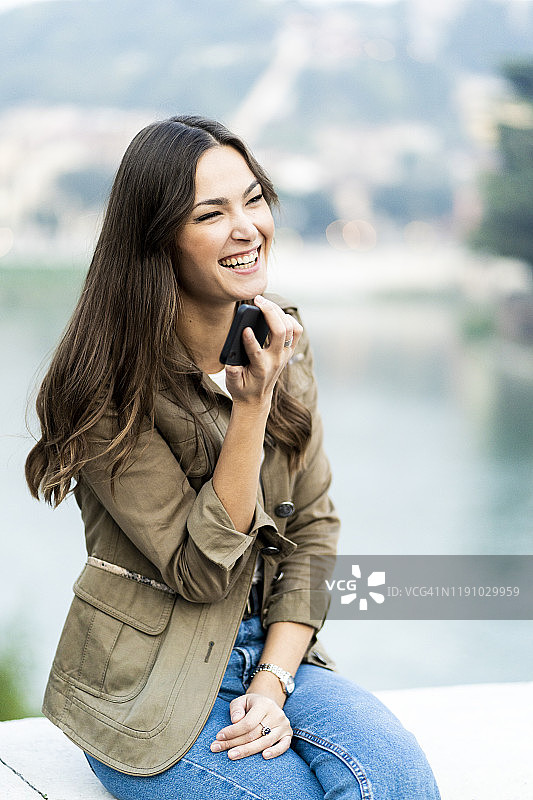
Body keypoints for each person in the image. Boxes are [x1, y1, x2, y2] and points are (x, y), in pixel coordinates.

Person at [25, 115, 441, 799]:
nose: (247, 226)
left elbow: (311, 532)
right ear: (159, 239)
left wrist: (275, 680)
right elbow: (200, 570)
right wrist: (250, 408)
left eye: (252, 199)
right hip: (145, 682)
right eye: (211, 214)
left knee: (395, 777)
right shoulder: (103, 389)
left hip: (274, 652)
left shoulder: (278, 341)